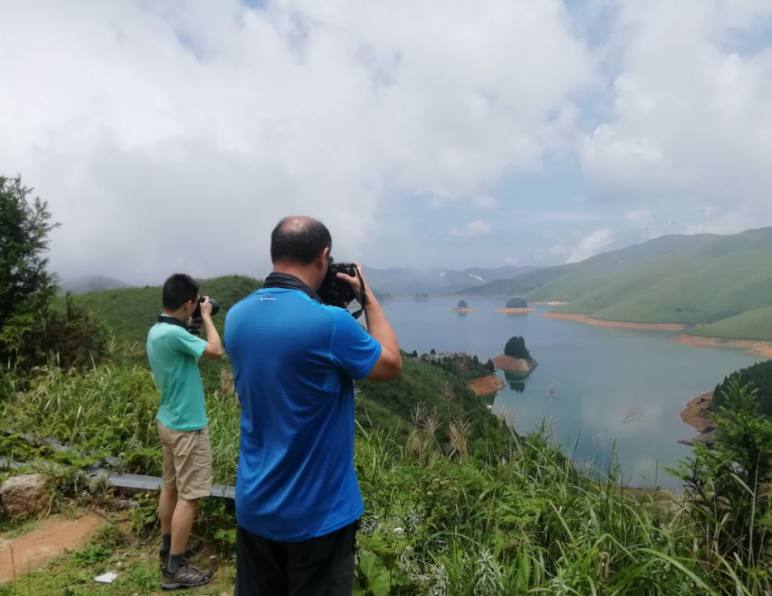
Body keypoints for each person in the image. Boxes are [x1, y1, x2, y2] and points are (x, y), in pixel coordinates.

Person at [225, 216, 402, 595]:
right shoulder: (330, 323)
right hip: (318, 514)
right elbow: (390, 365)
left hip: (255, 504)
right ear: (324, 257)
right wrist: (367, 297)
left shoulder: (236, 317)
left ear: (274, 254)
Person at [146, 273, 224, 590]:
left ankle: (168, 548)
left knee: (171, 487)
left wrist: (191, 318)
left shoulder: (157, 331)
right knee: (189, 497)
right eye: (197, 301)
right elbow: (216, 351)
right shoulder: (176, 336)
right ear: (189, 303)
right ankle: (175, 569)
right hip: (186, 426)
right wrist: (206, 317)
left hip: (167, 420)